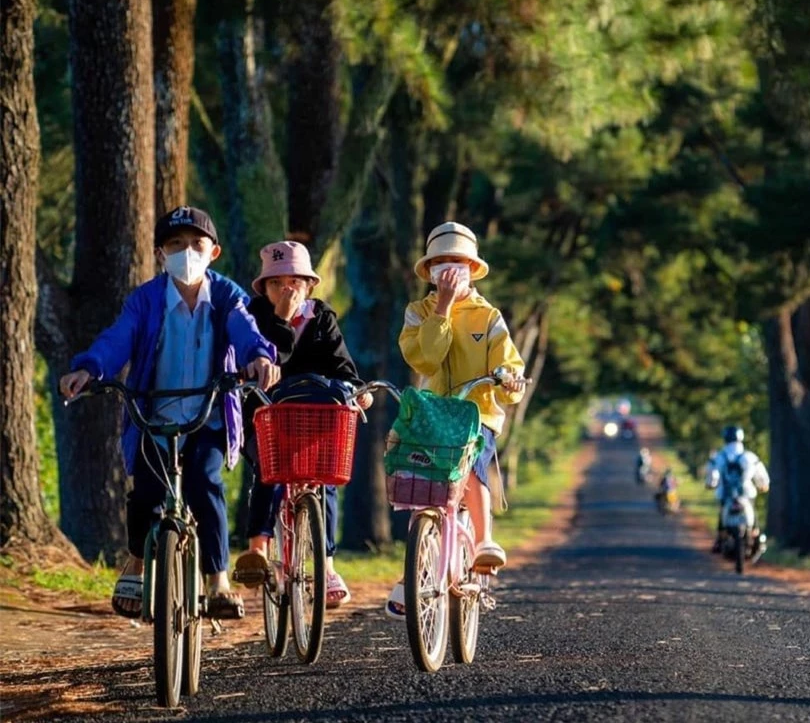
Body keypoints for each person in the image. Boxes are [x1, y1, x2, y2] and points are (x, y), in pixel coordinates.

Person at [59, 206, 280, 619]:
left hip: (208, 414)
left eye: (197, 244)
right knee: (144, 491)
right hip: (154, 414)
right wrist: (89, 368)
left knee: (203, 482)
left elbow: (246, 330)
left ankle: (218, 579)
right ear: (160, 253)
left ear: (213, 252)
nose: (186, 253)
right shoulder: (145, 299)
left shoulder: (227, 295)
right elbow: (117, 340)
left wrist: (259, 358)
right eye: (175, 245)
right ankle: (138, 563)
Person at [387, 222, 526, 618]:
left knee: (470, 465)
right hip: (431, 414)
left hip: (474, 412)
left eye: (457, 261)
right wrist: (443, 309)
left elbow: (509, 369)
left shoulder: (489, 316)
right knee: (418, 483)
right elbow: (426, 358)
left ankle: (483, 542)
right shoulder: (418, 313)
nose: (449, 269)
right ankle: (416, 569)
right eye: (441, 262)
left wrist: (510, 381)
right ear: (430, 269)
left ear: (472, 266)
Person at [231, 241, 372, 609]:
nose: (287, 289)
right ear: (265, 287)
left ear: (310, 284)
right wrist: (280, 319)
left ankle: (326, 565)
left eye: (295, 281)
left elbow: (343, 366)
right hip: (268, 417)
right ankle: (258, 550)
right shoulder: (253, 315)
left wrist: (357, 391)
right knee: (269, 471)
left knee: (325, 480)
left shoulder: (322, 317)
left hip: (314, 422)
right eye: (277, 283)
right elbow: (270, 358)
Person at [705, 425, 769, 551]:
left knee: (722, 515)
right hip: (746, 493)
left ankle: (720, 538)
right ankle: (756, 534)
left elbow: (713, 476)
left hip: (725, 494)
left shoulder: (719, 457)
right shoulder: (749, 456)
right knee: (753, 513)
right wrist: (763, 485)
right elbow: (761, 475)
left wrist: (711, 485)